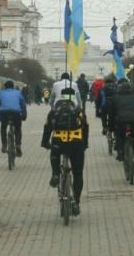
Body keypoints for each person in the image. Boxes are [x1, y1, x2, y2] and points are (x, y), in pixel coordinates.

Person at [41, 87, 89, 217]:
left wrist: (45, 142)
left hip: (58, 142)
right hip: (76, 143)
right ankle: (76, 202)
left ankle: (56, 174)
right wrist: (85, 144)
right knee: (78, 174)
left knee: (55, 153)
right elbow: (85, 127)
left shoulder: (55, 110)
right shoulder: (79, 110)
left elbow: (47, 127)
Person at [111, 80, 134, 173]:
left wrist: (112, 126)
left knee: (120, 136)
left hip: (121, 121)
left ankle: (121, 153)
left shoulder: (116, 97)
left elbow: (112, 113)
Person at [0, 80, 27, 156]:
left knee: (3, 127)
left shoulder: (0, 93)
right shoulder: (18, 92)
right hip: (16, 113)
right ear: (13, 87)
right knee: (18, 129)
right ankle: (18, 145)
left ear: (5, 86)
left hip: (4, 113)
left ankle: (4, 144)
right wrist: (24, 115)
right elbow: (23, 104)